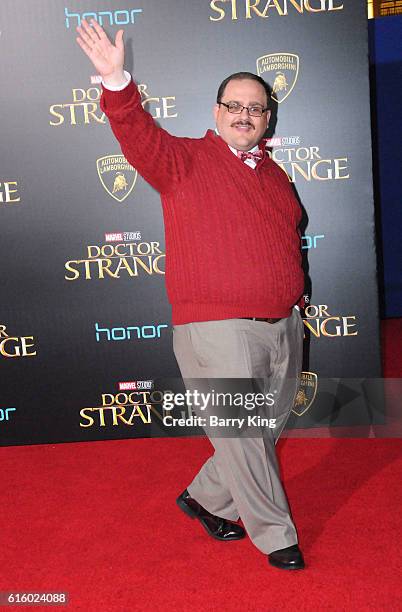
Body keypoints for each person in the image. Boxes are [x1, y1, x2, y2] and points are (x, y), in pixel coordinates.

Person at [76, 19, 306, 570]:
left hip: (283, 326)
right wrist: (116, 83)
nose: (245, 115)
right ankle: (276, 536)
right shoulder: (183, 160)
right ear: (217, 112)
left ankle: (203, 499)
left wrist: (296, 306)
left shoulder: (276, 176)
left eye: (256, 108)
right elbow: (137, 133)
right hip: (217, 329)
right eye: (234, 106)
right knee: (247, 438)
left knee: (260, 431)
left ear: (268, 119)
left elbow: (289, 246)